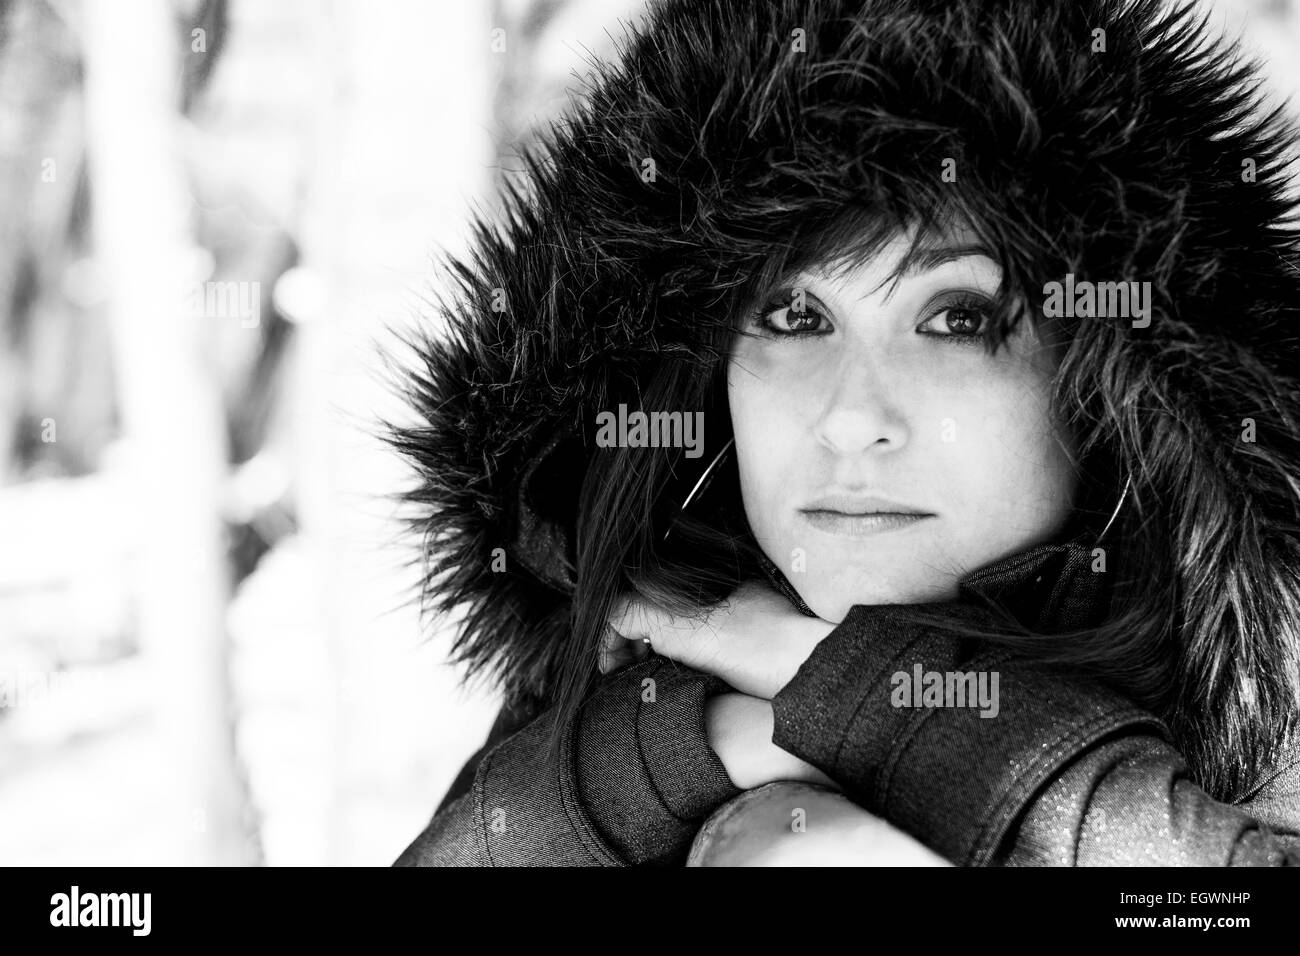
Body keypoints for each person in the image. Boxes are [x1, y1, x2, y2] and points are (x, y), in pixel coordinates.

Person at [387, 0, 1300, 866]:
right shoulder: (640, 647)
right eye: (794, 315)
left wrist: (839, 686)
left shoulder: (1264, 681)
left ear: (1101, 378)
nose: (853, 419)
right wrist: (694, 745)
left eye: (958, 320)